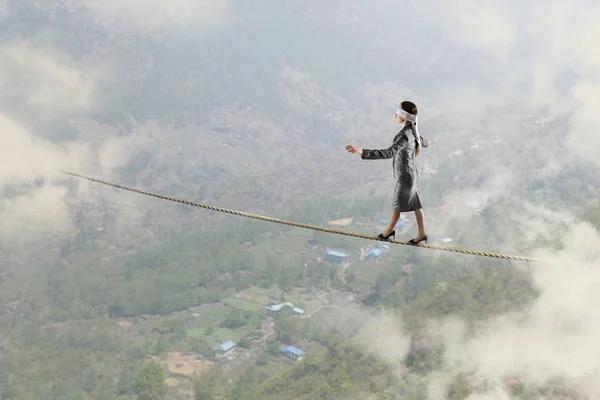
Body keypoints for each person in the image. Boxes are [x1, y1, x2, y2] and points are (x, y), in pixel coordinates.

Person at [346, 100, 432, 245]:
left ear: (404, 116)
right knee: (416, 204)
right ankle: (421, 233)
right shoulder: (413, 131)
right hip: (412, 175)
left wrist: (362, 151)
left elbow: (389, 153)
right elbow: (422, 142)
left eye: (398, 111)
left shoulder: (405, 134)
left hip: (405, 177)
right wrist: (428, 142)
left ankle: (387, 233)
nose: (395, 113)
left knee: (396, 206)